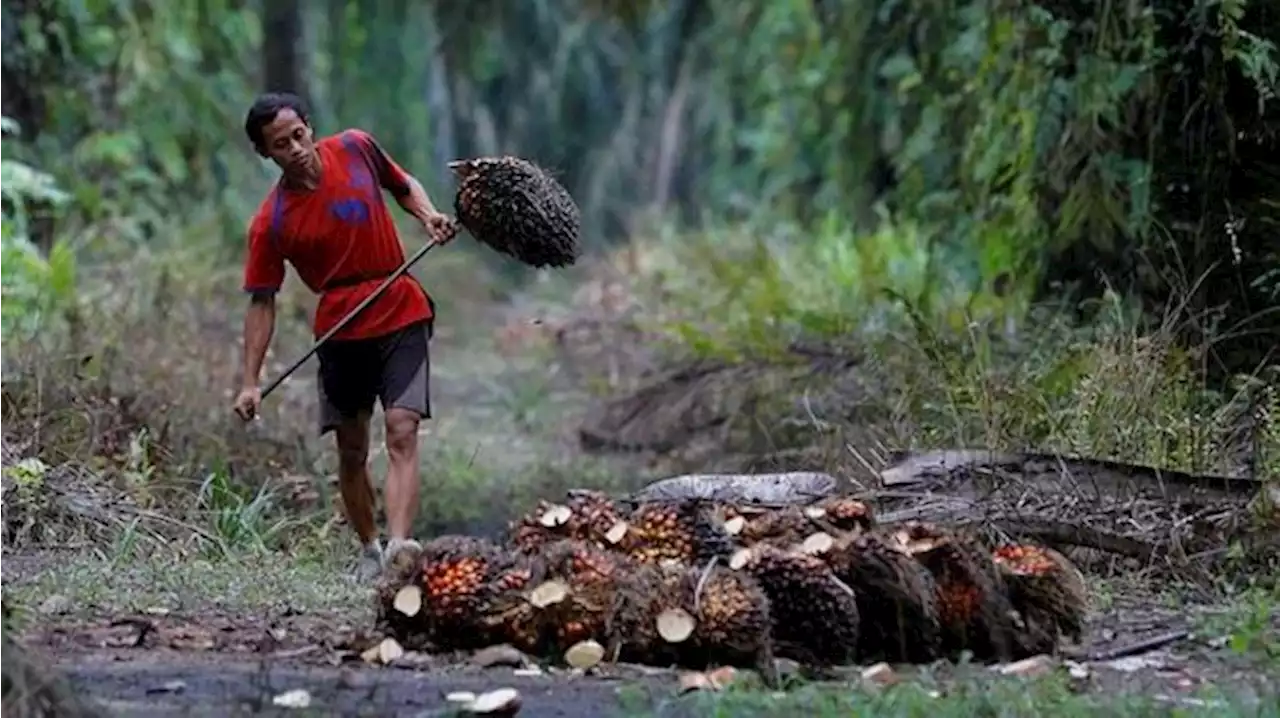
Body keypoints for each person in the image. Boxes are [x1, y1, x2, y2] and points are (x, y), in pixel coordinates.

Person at [231, 91, 455, 582]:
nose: (295, 148)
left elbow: (401, 184)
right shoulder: (271, 222)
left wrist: (428, 215)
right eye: (280, 144)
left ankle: (400, 545)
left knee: (402, 427)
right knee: (351, 450)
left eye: (298, 134)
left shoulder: (355, 148)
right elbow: (262, 300)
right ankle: (369, 547)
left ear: (309, 126)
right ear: (265, 154)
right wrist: (250, 381)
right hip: (340, 329)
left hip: (400, 305)